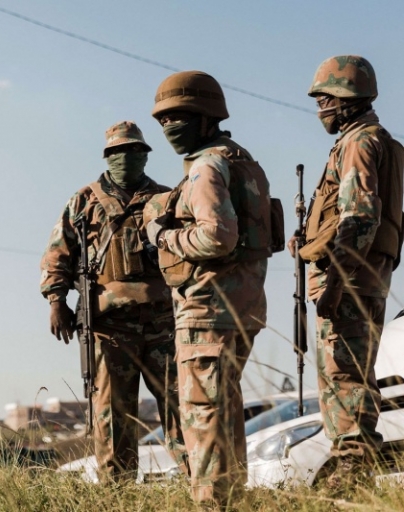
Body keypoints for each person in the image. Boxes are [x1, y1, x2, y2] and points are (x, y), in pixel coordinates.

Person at [146, 71, 273, 506]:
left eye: (177, 117)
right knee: (225, 414)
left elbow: (218, 236)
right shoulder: (245, 162)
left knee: (202, 417)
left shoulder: (206, 166)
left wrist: (164, 237)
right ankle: (232, 501)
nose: (168, 127)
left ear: (205, 116)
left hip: (207, 310)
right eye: (162, 120)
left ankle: (212, 503)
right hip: (244, 306)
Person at [40, 121, 187, 482]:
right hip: (109, 326)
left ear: (145, 155)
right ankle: (117, 492)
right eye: (119, 151)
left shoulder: (165, 198)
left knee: (180, 406)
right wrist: (57, 301)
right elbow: (58, 254)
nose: (126, 157)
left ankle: (199, 485)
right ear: (107, 156)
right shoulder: (83, 201)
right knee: (111, 414)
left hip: (163, 322)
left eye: (134, 150)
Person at [290, 55, 404, 489]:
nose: (320, 108)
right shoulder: (377, 140)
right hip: (364, 277)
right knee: (352, 374)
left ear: (346, 98)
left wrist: (335, 283)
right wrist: (310, 241)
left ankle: (352, 473)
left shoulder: (359, 142)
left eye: (325, 99)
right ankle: (354, 469)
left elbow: (359, 217)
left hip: (350, 280)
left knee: (345, 376)